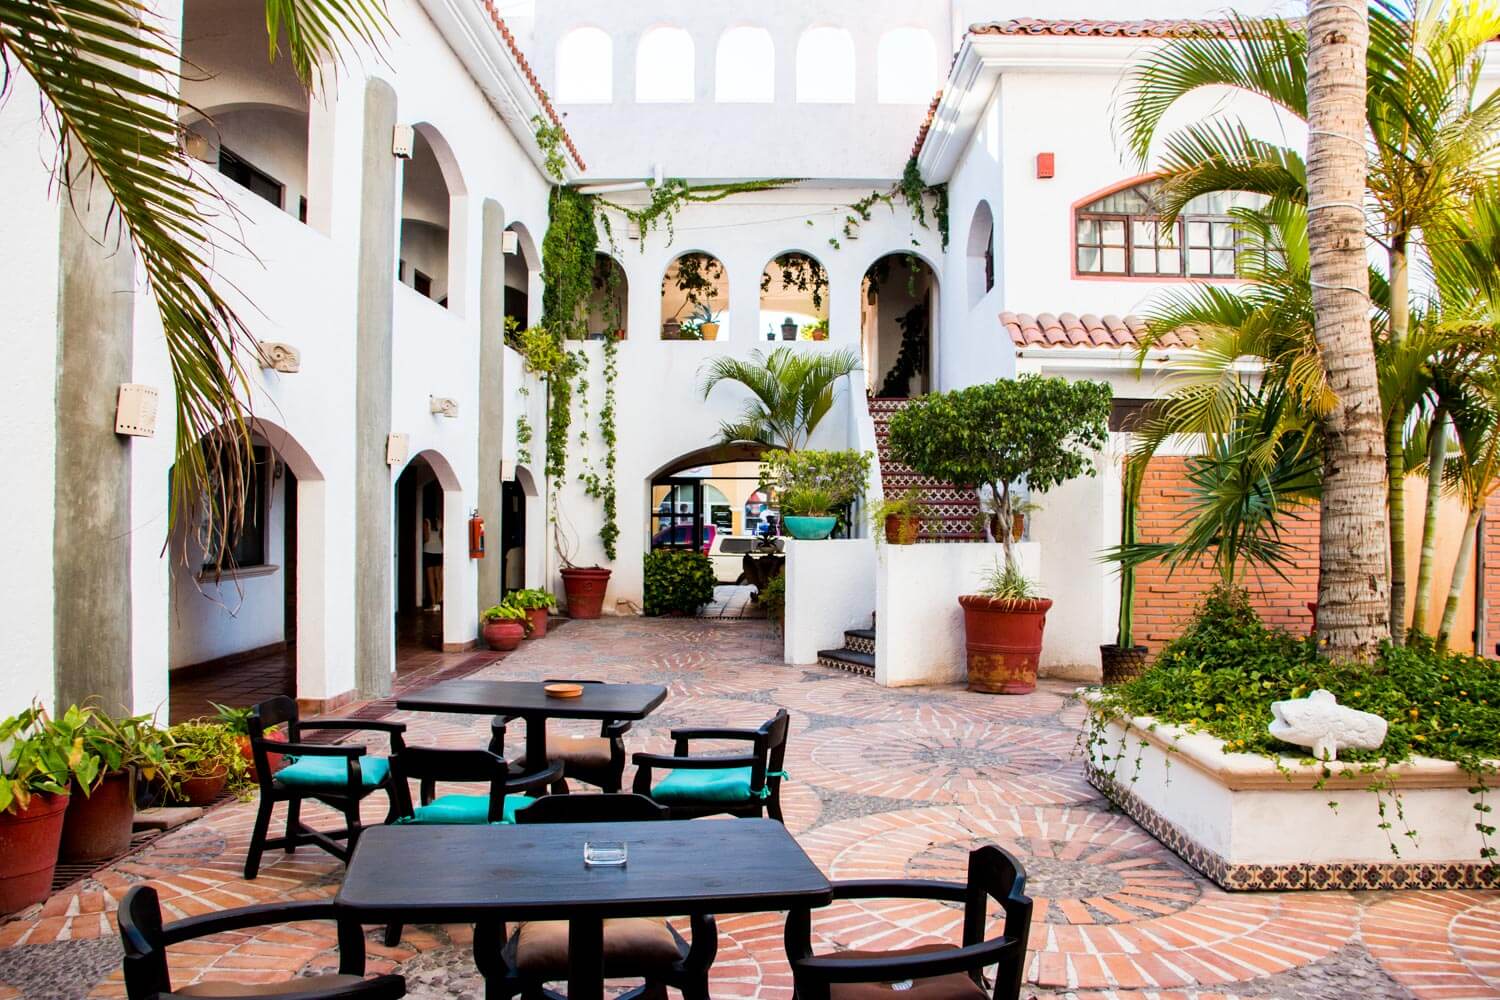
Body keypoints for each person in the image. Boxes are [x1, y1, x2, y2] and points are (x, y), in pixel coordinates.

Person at [422, 517, 443, 610]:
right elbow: (441, 538)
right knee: (438, 577)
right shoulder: (439, 522)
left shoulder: (426, 522)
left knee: (430, 579)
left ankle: (433, 603)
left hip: (429, 551)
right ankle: (438, 602)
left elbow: (426, 538)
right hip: (439, 551)